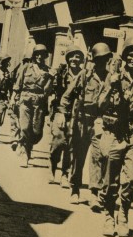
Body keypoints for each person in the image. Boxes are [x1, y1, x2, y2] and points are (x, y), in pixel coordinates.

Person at [96, 36, 133, 237]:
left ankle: (123, 212)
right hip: (113, 133)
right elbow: (100, 105)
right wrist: (112, 85)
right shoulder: (112, 77)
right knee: (110, 179)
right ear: (125, 56)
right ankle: (109, 215)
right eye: (130, 54)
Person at [57, 43, 112, 203]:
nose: (102, 62)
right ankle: (75, 188)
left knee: (98, 156)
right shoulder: (84, 75)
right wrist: (62, 113)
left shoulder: (111, 78)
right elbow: (67, 96)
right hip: (82, 121)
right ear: (94, 60)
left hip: (99, 122)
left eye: (105, 59)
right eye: (99, 59)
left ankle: (94, 193)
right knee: (78, 156)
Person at [12, 44, 53, 168]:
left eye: (42, 55)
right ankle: (25, 153)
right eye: (37, 54)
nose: (40, 57)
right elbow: (18, 84)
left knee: (36, 132)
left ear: (45, 56)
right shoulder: (26, 67)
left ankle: (25, 144)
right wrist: (13, 98)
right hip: (25, 99)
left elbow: (49, 91)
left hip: (39, 102)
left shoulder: (48, 70)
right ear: (34, 56)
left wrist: (51, 78)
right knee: (25, 127)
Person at [49, 46, 85, 186]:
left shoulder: (84, 75)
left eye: (78, 57)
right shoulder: (61, 74)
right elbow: (53, 92)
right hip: (60, 112)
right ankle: (52, 167)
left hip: (77, 114)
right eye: (72, 56)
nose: (75, 59)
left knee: (71, 145)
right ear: (68, 59)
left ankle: (65, 174)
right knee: (58, 142)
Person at [8, 52, 32, 150]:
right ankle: (14, 138)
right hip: (17, 96)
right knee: (14, 117)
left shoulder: (31, 70)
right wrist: (12, 97)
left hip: (25, 98)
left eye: (29, 61)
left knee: (23, 121)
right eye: (26, 61)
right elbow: (12, 82)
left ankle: (20, 140)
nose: (28, 63)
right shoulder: (18, 69)